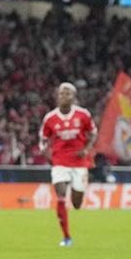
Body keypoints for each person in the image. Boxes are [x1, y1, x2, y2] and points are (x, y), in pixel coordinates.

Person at [38, 82, 97, 247]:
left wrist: (86, 149)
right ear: (57, 96)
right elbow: (43, 138)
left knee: (77, 203)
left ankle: (75, 197)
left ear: (73, 97)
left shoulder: (83, 115)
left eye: (68, 93)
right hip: (60, 161)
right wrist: (45, 151)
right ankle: (66, 237)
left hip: (79, 162)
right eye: (61, 93)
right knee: (61, 194)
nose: (64, 96)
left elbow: (93, 133)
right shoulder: (50, 118)